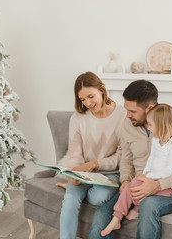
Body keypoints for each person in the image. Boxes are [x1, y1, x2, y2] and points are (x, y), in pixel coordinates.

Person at [89, 80, 172, 239]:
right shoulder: (128, 124)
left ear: (149, 109)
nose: (128, 115)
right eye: (126, 109)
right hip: (138, 184)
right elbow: (126, 159)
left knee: (148, 206)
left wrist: (158, 185)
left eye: (133, 111)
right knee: (102, 214)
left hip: (169, 188)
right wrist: (126, 180)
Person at [100, 104, 172, 237]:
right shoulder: (157, 139)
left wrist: (150, 176)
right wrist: (144, 174)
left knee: (141, 192)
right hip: (151, 178)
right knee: (131, 185)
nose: (148, 128)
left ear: (162, 125)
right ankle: (117, 217)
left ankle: (136, 209)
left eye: (151, 125)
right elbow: (152, 158)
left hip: (167, 186)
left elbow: (170, 170)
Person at [59, 71, 126, 239]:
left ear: (102, 89)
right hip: (84, 173)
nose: (88, 103)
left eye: (91, 96)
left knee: (98, 198)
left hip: (110, 173)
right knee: (70, 201)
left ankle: (73, 188)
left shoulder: (122, 115)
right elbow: (74, 153)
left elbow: (121, 156)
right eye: (82, 99)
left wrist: (95, 164)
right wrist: (75, 173)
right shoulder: (78, 118)